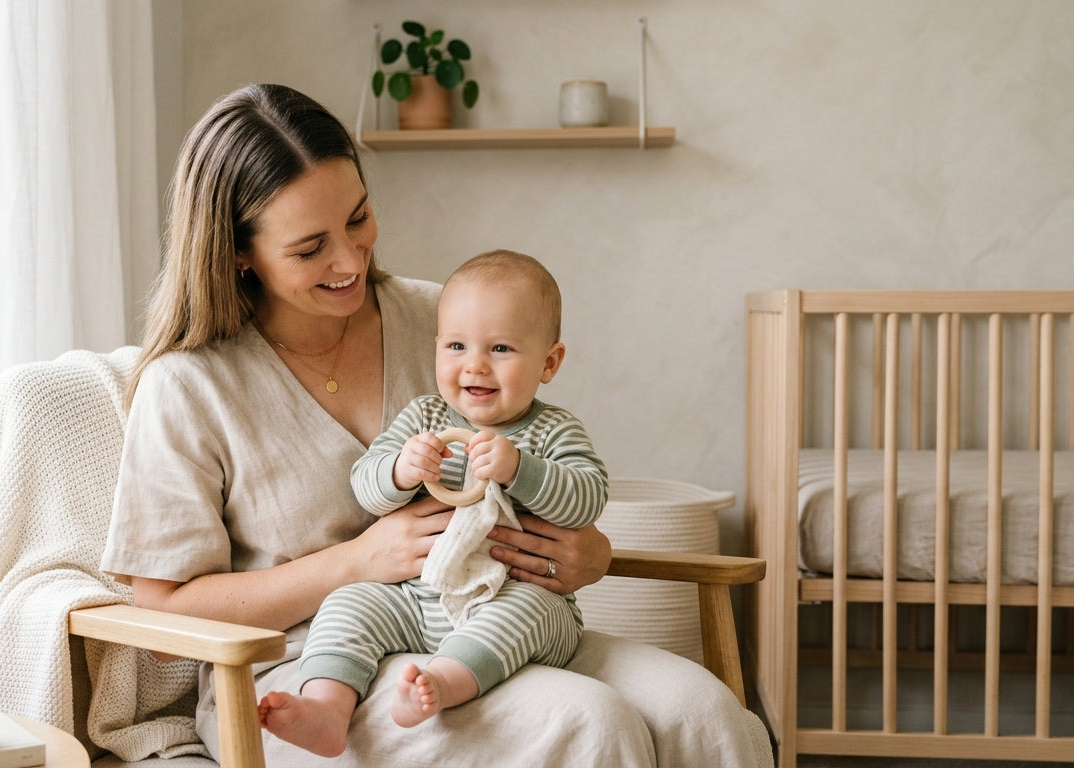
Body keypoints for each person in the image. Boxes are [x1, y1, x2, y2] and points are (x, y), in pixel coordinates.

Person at [101, 83, 772, 767]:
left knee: (705, 714)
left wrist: (587, 554)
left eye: (359, 219)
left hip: (496, 618)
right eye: (310, 249)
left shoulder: (445, 321)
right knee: (586, 722)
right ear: (239, 252)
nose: (350, 260)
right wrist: (354, 563)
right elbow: (163, 618)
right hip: (311, 666)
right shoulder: (189, 384)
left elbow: (548, 460)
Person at [259, 250, 608, 756]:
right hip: (417, 598)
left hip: (509, 596)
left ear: (548, 362)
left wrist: (520, 470)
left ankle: (441, 683)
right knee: (349, 602)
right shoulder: (424, 417)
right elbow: (366, 487)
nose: (476, 365)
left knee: (533, 609)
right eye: (458, 346)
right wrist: (402, 469)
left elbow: (587, 500)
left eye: (502, 348)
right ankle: (327, 707)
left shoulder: (553, 430)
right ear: (437, 348)